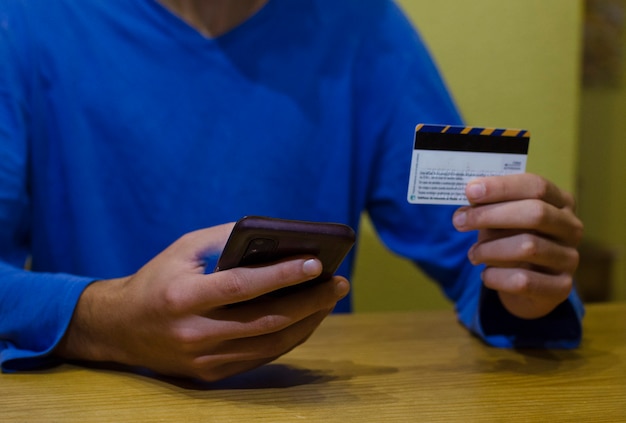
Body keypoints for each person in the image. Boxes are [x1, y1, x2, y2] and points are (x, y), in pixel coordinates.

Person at [0, 0, 584, 382]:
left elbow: (473, 255)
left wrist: (526, 285)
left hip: (301, 402)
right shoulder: (25, 21)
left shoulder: (367, 28)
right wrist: (102, 320)